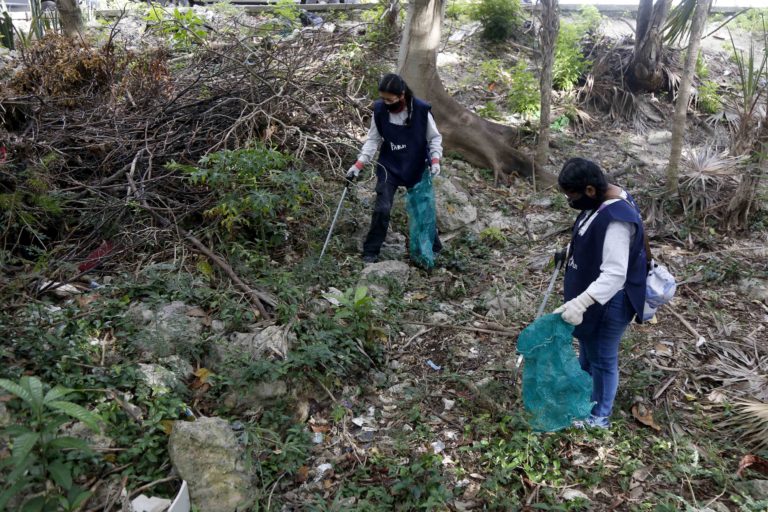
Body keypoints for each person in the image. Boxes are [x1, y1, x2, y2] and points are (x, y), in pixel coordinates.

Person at [553, 158, 647, 429]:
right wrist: (569, 253)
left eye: (572, 196)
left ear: (590, 190)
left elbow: (615, 273)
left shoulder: (617, 218)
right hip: (593, 294)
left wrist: (581, 302)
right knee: (587, 349)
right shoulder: (598, 203)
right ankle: (585, 396)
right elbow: (591, 236)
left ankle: (599, 416)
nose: (571, 202)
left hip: (612, 301)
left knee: (603, 357)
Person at [346, 73, 443, 264]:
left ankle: (433, 247)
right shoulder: (380, 110)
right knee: (382, 208)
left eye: (389, 99)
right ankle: (371, 251)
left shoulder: (421, 110)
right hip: (389, 165)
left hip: (416, 165)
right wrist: (359, 163)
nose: (385, 102)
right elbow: (373, 139)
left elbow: (434, 138)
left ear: (401, 95)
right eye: (382, 98)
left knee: (422, 209)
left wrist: (435, 159)